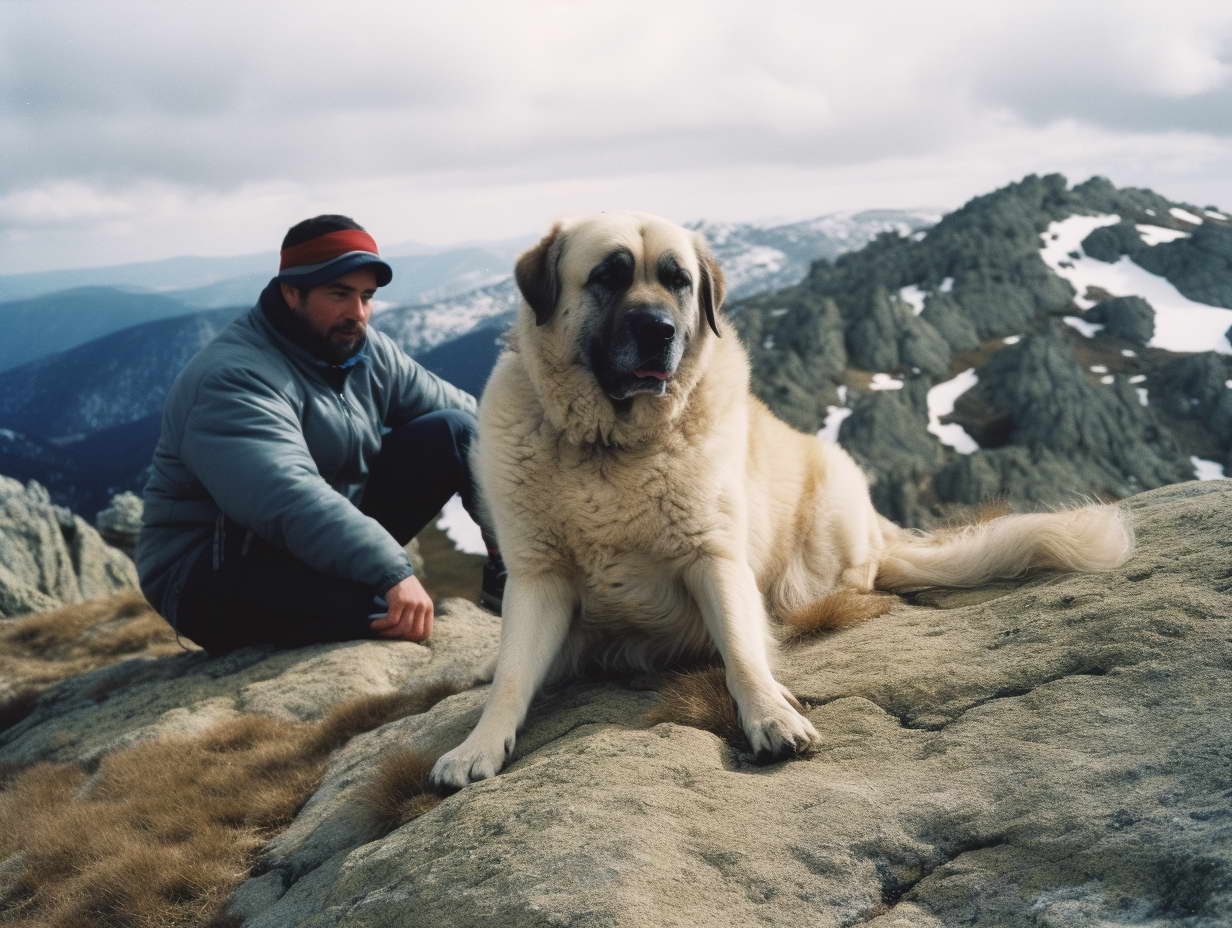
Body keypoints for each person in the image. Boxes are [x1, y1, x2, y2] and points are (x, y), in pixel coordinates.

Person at [136, 215, 504, 654]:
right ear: (292, 293)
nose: (358, 313)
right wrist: (392, 572)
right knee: (388, 613)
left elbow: (469, 418)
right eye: (340, 294)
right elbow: (287, 496)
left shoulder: (364, 350)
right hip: (213, 576)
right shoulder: (233, 379)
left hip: (313, 541)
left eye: (367, 297)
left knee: (458, 432)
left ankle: (510, 585)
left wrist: (515, 523)